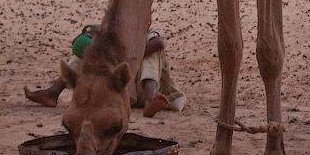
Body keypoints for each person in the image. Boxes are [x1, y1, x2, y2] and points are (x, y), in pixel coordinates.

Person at [24, 24, 187, 117]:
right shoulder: (114, 30)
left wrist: (118, 54)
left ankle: (150, 100)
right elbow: (77, 44)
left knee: (151, 53)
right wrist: (94, 39)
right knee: (91, 51)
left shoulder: (151, 32)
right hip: (118, 91)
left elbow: (158, 44)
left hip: (144, 88)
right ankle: (53, 92)